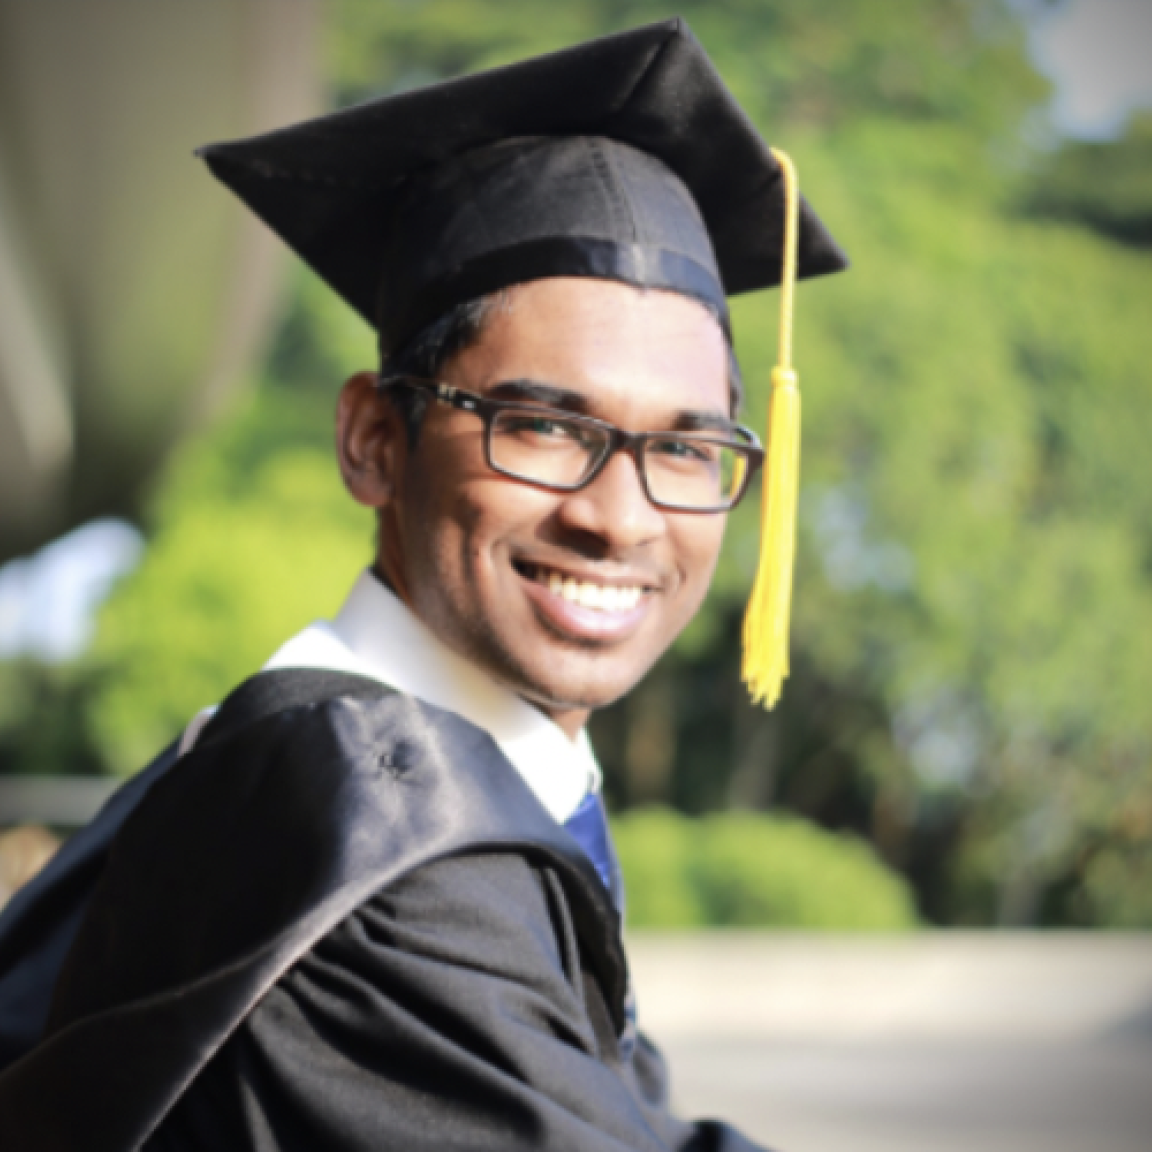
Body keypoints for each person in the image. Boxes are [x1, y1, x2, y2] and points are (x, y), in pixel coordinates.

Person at [0, 19, 846, 1151]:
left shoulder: (431, 781)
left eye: (687, 450)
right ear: (373, 442)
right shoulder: (372, 836)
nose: (620, 517)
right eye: (542, 426)